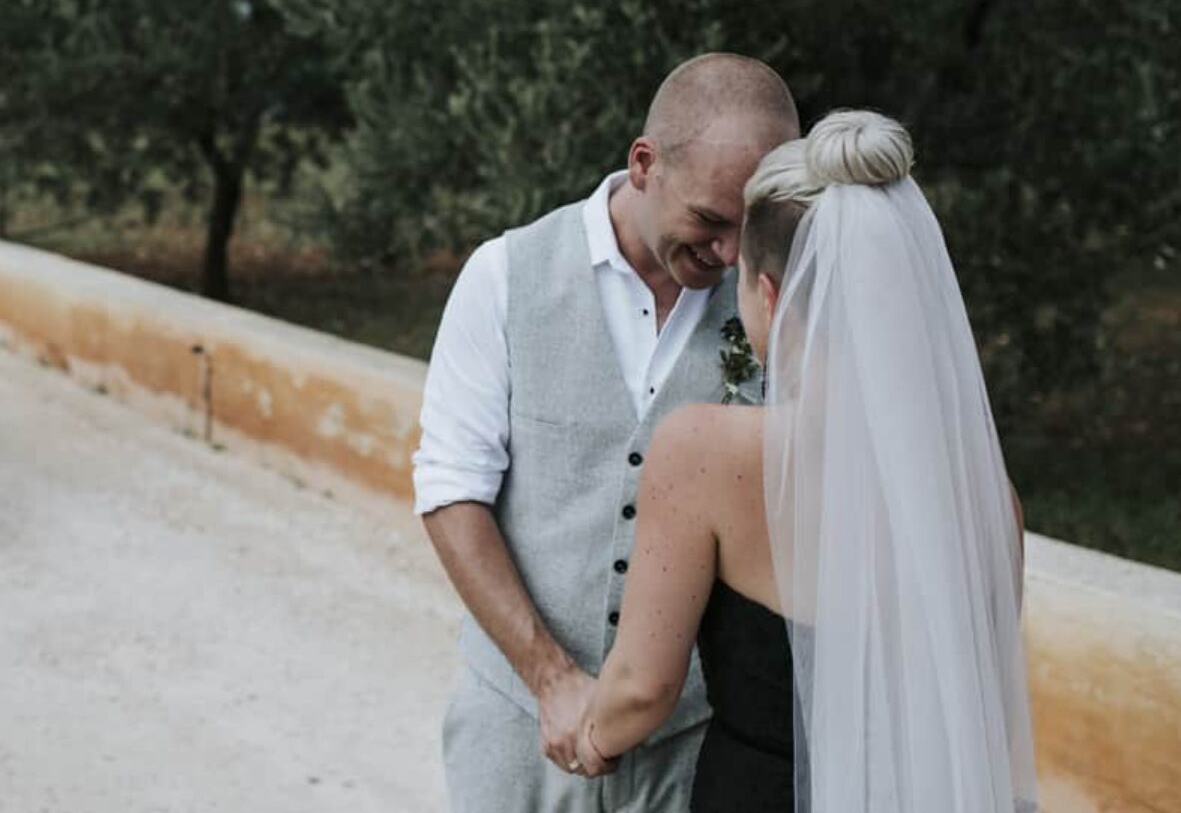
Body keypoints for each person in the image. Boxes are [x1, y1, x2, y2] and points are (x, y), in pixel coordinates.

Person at [575, 110, 1038, 813]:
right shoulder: (985, 495)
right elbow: (986, 717)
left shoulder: (704, 451)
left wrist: (592, 739)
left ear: (767, 293)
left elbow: (642, 685)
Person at [415, 54, 802, 813]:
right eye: (710, 221)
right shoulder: (503, 275)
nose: (728, 252)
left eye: (747, 228)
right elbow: (450, 488)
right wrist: (550, 679)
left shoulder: (774, 305)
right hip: (517, 733)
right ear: (644, 164)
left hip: (694, 750)